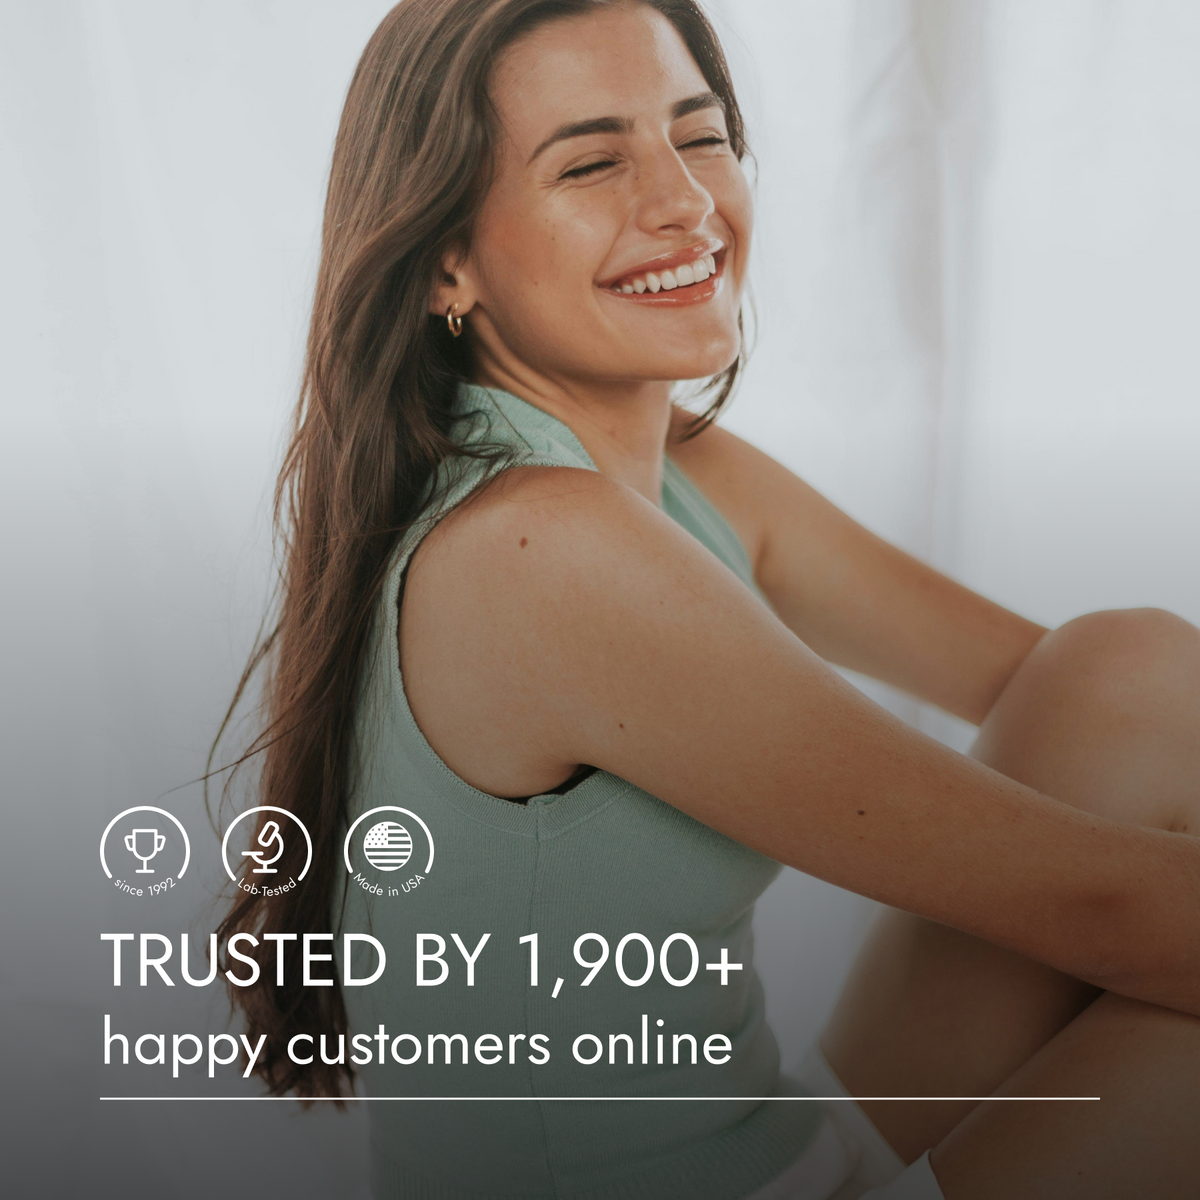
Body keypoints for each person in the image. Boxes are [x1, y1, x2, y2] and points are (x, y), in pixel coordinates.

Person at [215, 1, 1200, 1197]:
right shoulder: (539, 553)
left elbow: (1105, 718)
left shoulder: (665, 465)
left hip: (781, 1149)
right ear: (445, 260)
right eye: (591, 162)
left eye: (700, 135)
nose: (685, 200)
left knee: (1130, 672)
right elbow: (1095, 903)